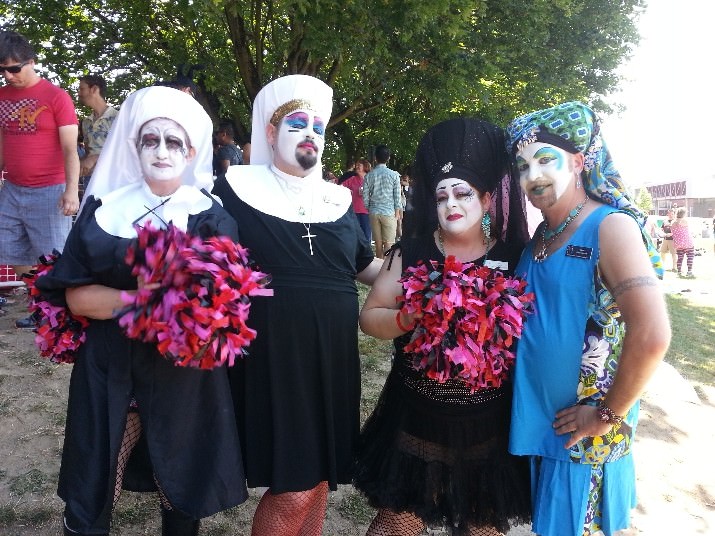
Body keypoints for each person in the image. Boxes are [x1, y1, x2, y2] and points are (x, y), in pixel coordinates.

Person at [35, 86, 247, 536]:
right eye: (151, 140)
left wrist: (118, 300)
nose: (162, 151)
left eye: (174, 142)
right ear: (134, 146)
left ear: (192, 152)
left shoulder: (211, 216)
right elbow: (77, 299)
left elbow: (215, 309)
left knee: (180, 484)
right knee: (98, 475)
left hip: (181, 374)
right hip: (108, 366)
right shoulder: (103, 210)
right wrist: (149, 297)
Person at [211, 74, 382, 536]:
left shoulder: (339, 199)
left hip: (332, 355)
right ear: (270, 133)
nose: (310, 133)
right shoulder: (234, 189)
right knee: (295, 483)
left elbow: (364, 267)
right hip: (274, 353)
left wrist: (425, 275)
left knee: (319, 476)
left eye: (318, 127)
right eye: (297, 123)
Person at [355, 117, 532, 536]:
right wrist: (410, 317)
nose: (451, 204)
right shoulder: (411, 252)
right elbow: (369, 317)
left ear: (488, 199)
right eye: (441, 196)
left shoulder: (514, 257)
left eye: (462, 193)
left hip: (489, 422)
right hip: (418, 415)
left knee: (483, 525)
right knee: (398, 523)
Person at [505, 101, 671, 536]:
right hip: (543, 430)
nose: (532, 176)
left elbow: (653, 334)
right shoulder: (542, 234)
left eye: (545, 159)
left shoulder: (609, 227)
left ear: (578, 161)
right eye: (522, 166)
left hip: (585, 440)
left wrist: (606, 415)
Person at [0, 30, 80, 329]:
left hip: (50, 189)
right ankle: (40, 305)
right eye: (2, 70)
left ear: (31, 61)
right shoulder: (2, 96)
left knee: (53, 257)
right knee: (10, 249)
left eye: (13, 68)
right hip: (12, 189)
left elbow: (71, 149)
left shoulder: (56, 97)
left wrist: (71, 190)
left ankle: (61, 314)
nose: (8, 76)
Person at [77, 74, 118, 183]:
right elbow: (88, 152)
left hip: (113, 179)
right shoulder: (86, 122)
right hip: (90, 180)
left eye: (82, 89)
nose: (79, 93)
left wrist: (95, 158)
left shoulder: (119, 118)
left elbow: (125, 152)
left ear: (94, 89)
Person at [363, 144, 402, 258]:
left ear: (375, 158)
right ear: (388, 158)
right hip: (389, 212)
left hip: (374, 212)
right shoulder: (394, 175)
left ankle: (379, 268)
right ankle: (387, 270)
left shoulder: (369, 175)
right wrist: (397, 211)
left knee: (378, 243)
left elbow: (365, 195)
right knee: (389, 243)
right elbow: (397, 196)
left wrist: (368, 207)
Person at [341, 156, 372, 241]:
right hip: (354, 211)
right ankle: (356, 253)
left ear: (365, 166)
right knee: (355, 235)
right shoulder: (352, 179)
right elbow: (340, 187)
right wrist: (347, 192)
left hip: (367, 211)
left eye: (359, 165)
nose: (356, 167)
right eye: (356, 165)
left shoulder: (371, 179)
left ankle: (367, 252)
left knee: (367, 235)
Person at [671, 207, 695, 278]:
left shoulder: (673, 222)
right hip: (687, 243)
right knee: (690, 257)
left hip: (678, 244)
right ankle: (689, 271)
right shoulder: (685, 221)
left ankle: (679, 271)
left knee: (680, 258)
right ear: (684, 214)